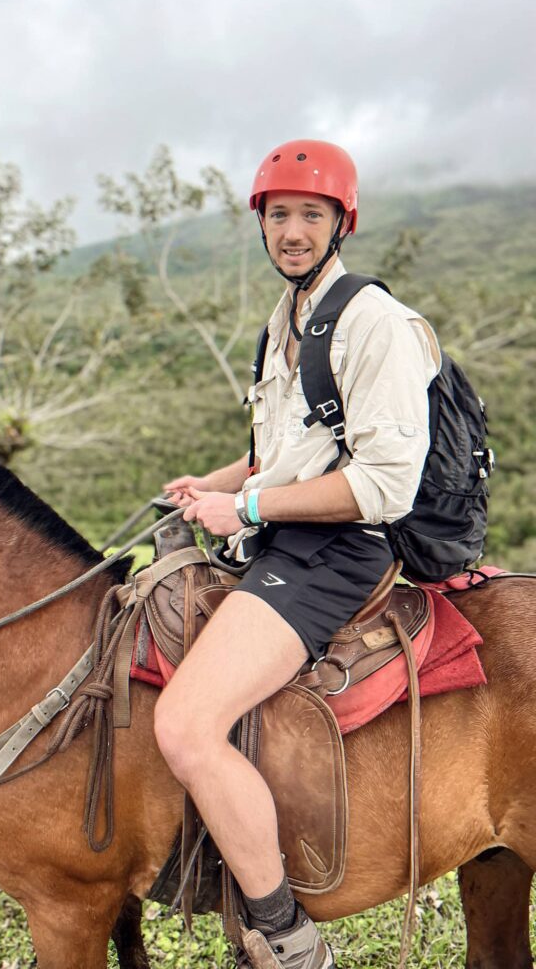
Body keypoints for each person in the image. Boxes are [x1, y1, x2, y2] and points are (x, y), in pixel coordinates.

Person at [153, 140, 441, 969]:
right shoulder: (287, 322)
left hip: (338, 550)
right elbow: (287, 455)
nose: (292, 230)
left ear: (340, 222)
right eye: (279, 215)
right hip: (283, 532)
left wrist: (240, 506)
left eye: (310, 214)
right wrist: (210, 483)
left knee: (187, 722)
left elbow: (384, 483)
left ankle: (285, 932)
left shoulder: (373, 322)